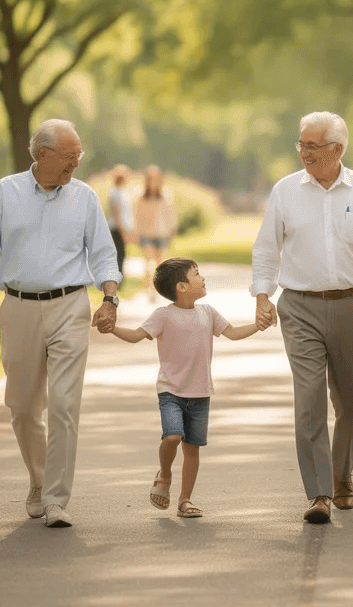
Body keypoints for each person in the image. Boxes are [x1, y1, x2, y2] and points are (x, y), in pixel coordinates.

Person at [0, 118, 121, 529]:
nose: (76, 164)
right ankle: (39, 478)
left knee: (64, 404)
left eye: (79, 156)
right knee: (23, 406)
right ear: (42, 154)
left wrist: (110, 297)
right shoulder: (5, 193)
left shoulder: (84, 197)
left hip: (70, 306)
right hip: (19, 307)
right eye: (70, 156)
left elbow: (103, 252)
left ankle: (55, 500)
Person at [251, 111, 353, 524]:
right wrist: (262, 295)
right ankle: (317, 492)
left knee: (351, 403)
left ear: (337, 149)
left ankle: (341, 475)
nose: (305, 153)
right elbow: (266, 247)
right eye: (301, 144)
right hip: (299, 307)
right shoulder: (285, 191)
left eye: (313, 146)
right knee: (309, 399)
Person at [103, 258, 266, 519]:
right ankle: (164, 473)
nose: (202, 278)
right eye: (197, 274)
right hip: (171, 392)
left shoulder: (208, 312)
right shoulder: (163, 315)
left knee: (192, 448)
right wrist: (112, 329)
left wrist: (258, 326)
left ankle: (185, 500)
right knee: (172, 437)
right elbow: (136, 335)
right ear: (181, 286)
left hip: (200, 393)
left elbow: (233, 333)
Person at [135, 165, 178, 302]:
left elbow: (170, 215)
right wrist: (136, 233)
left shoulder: (165, 195)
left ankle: (158, 290)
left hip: (161, 233)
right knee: (148, 264)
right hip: (146, 234)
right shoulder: (141, 196)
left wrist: (172, 231)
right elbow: (137, 216)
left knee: (160, 265)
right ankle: (149, 291)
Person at [107, 165, 135, 274]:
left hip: (123, 228)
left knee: (122, 254)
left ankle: (120, 277)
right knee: (118, 254)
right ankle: (117, 278)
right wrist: (123, 231)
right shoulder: (114, 192)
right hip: (116, 228)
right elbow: (116, 214)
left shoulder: (125, 191)